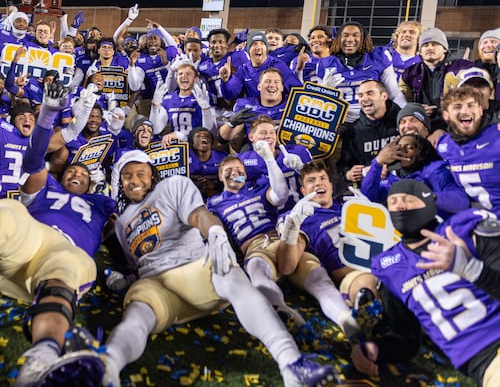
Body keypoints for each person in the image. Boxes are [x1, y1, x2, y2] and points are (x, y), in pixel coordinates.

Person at [61, 150, 337, 387]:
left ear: (152, 175)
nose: (134, 180)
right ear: (120, 182)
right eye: (127, 176)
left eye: (140, 173)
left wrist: (214, 230)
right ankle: (107, 367)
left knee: (229, 271)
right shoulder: (121, 224)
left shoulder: (173, 186)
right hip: (157, 285)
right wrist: (124, 279)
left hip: (197, 270)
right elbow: (140, 262)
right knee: (136, 314)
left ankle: (290, 363)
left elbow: (198, 215)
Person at [13, 82, 116, 386]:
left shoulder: (101, 202)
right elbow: (33, 162)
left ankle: (41, 359)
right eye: (73, 170)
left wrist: (126, 270)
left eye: (84, 174)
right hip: (29, 237)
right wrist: (47, 116)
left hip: (66, 252)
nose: (77, 173)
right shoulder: (48, 184)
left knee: (67, 268)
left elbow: (118, 233)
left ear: (91, 184)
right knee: (8, 213)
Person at [353, 179, 500, 387]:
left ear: (428, 202)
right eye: (393, 201)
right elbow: (405, 338)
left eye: (407, 199)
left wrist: (471, 268)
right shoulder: (389, 266)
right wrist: (376, 349)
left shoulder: (465, 229)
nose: (400, 206)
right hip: (483, 365)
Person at [209, 155, 360, 338]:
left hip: (282, 240)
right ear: (220, 176)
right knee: (257, 270)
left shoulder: (257, 188)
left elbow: (280, 193)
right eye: (229, 171)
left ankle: (344, 318)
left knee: (318, 276)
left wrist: (268, 159)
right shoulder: (214, 203)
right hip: (256, 248)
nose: (235, 173)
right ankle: (283, 312)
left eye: (239, 170)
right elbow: (211, 227)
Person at [277, 161, 378, 307]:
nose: (318, 184)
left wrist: (373, 214)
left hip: (383, 260)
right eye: (311, 181)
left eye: (323, 178)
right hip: (355, 276)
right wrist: (292, 226)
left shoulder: (350, 203)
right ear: (303, 191)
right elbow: (286, 266)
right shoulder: (299, 216)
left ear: (331, 186)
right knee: (366, 287)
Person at [360, 133, 470, 217]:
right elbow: (369, 195)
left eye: (409, 147)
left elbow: (462, 202)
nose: (402, 151)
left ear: (421, 151)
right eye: (399, 147)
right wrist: (378, 162)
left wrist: (428, 198)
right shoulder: (392, 175)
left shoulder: (435, 171)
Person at [318, 21, 407, 123]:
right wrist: (325, 90)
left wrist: (406, 115)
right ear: (338, 39)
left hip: (372, 120)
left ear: (363, 39)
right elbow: (317, 103)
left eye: (356, 35)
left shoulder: (378, 57)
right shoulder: (325, 63)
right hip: (338, 120)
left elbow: (394, 93)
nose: (350, 39)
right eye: (345, 35)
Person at [437, 86, 500, 215]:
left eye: (471, 105)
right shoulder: (443, 145)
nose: (465, 111)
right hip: (472, 221)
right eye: (457, 107)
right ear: (446, 115)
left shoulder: (497, 135)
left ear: (481, 111)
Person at [399, 27, 474, 129]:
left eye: (434, 44)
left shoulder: (462, 67)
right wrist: (417, 108)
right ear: (420, 51)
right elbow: (403, 98)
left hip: (456, 124)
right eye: (425, 45)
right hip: (424, 125)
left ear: (444, 48)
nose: (430, 48)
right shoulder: (410, 72)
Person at [237, 115, 312, 212]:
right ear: (251, 137)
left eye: (272, 132)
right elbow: (233, 178)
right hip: (269, 213)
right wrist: (249, 179)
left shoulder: (296, 151)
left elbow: (316, 174)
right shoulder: (243, 160)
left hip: (303, 208)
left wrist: (301, 167)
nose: (268, 136)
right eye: (263, 133)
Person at [337, 80, 400, 186]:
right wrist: (348, 174)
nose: (364, 99)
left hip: (401, 185)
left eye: (370, 93)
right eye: (360, 95)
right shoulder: (354, 130)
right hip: (370, 189)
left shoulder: (402, 120)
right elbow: (343, 166)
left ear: (384, 96)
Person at [219, 30, 301, 100]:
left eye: (262, 44)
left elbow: (296, 89)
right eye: (254, 44)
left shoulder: (279, 66)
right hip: (255, 112)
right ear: (248, 50)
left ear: (266, 49)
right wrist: (225, 80)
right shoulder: (243, 70)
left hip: (277, 112)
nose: (258, 47)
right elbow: (230, 94)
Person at [217, 67, 287, 149]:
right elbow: (222, 138)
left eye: (276, 82)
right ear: (259, 86)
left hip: (288, 152)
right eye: (267, 81)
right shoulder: (246, 105)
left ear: (282, 87)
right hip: (256, 152)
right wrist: (231, 123)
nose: (272, 85)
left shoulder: (293, 103)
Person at [149, 63, 217, 141]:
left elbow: (211, 132)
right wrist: (154, 107)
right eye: (180, 74)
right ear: (176, 78)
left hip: (197, 145)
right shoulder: (168, 99)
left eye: (188, 74)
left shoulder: (204, 96)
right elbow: (156, 129)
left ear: (195, 79)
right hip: (176, 145)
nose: (183, 76)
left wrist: (206, 109)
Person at [188, 126, 227, 199]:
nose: (203, 136)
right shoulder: (184, 157)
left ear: (212, 142)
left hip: (217, 195)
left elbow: (239, 178)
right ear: (192, 143)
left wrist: (215, 185)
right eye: (198, 136)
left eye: (206, 135)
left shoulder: (222, 156)